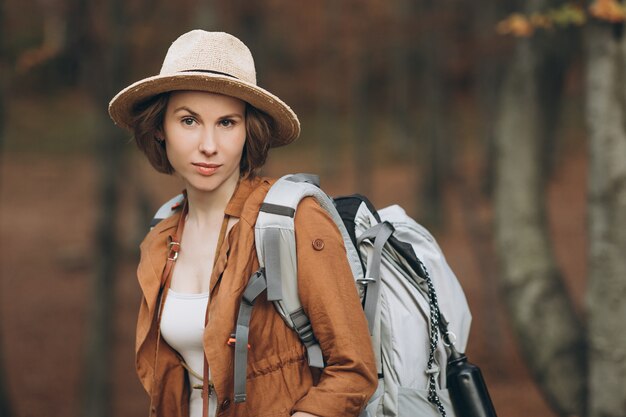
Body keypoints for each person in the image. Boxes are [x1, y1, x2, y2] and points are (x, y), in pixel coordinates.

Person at [108, 30, 377, 417]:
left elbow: (354, 371)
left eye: (227, 123)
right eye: (188, 121)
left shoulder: (293, 220)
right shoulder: (160, 236)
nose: (209, 145)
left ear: (248, 130)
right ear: (158, 129)